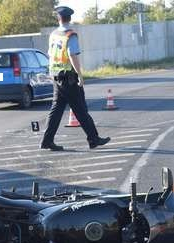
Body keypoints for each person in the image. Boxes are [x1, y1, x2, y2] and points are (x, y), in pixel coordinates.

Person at [40, 6, 110, 151]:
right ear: (70, 18)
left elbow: (50, 54)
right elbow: (72, 55)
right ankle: (93, 139)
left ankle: (47, 141)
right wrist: (79, 74)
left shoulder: (53, 35)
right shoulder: (70, 35)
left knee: (57, 109)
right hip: (69, 77)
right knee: (80, 109)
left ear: (58, 18)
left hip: (56, 75)